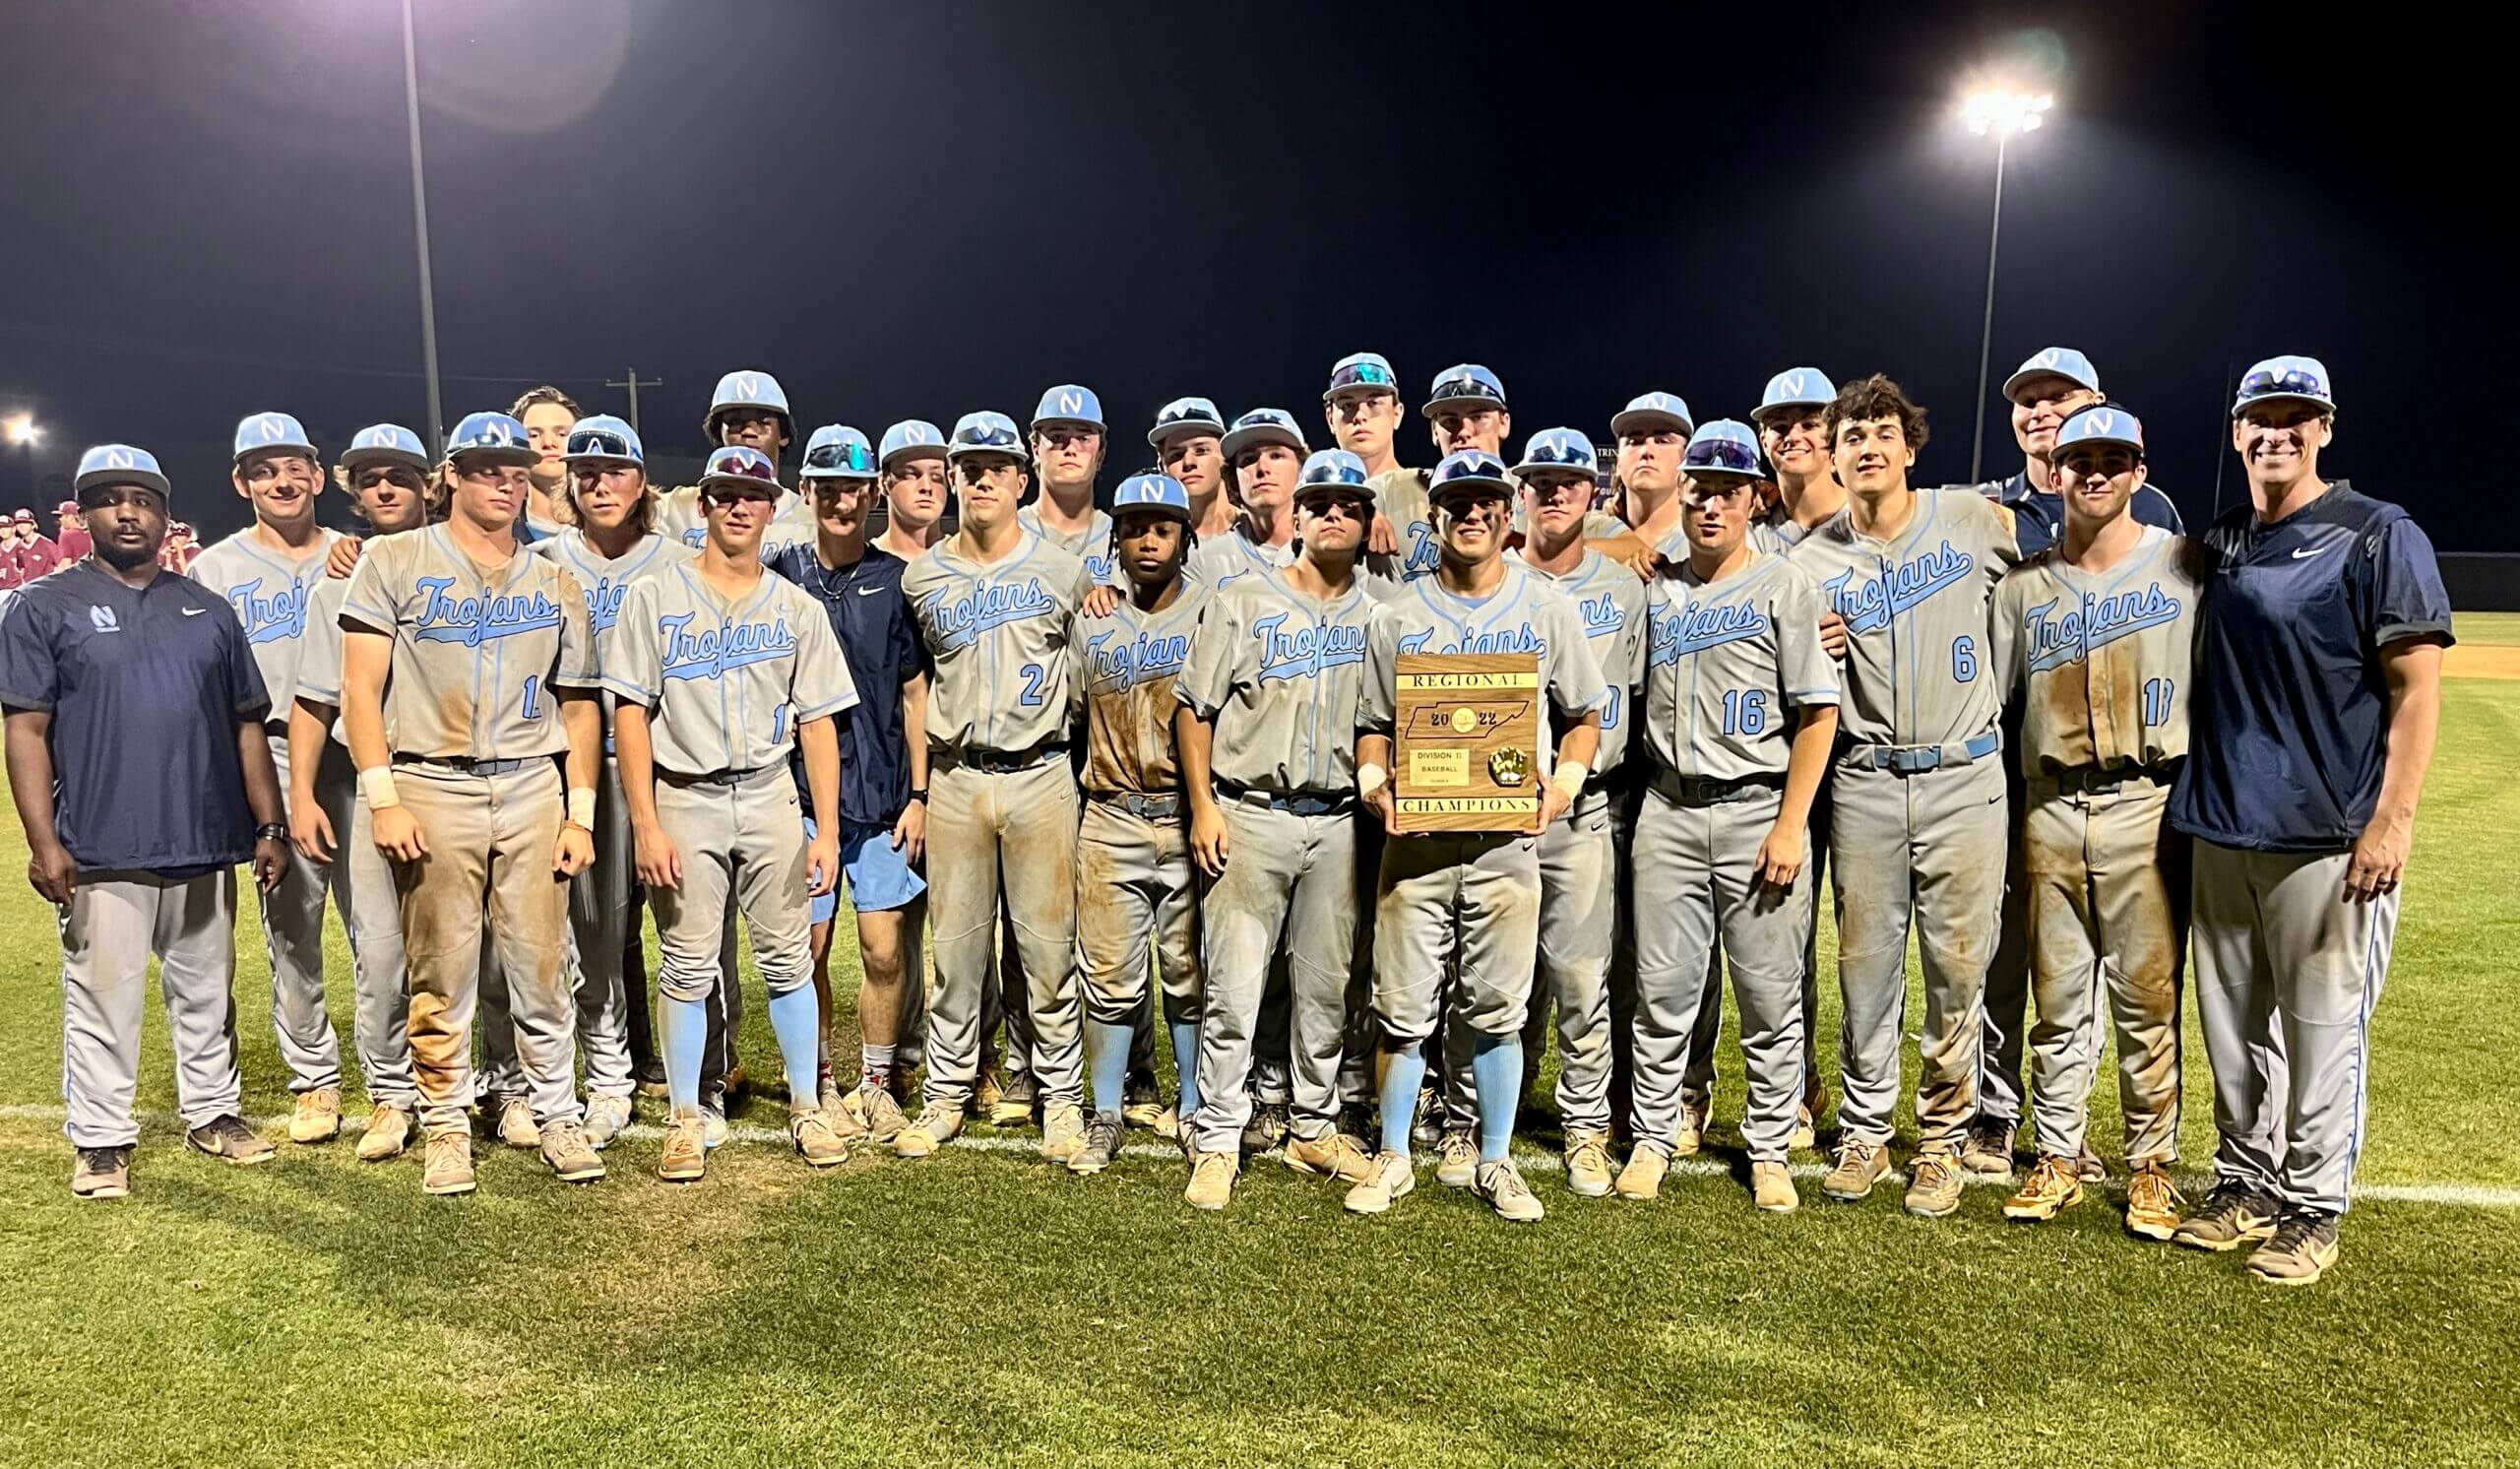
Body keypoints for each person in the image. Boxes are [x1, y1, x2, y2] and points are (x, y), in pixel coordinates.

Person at [2168, 356, 2450, 1286]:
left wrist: (2392, 824)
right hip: (2221, 825)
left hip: (2327, 837)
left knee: (2324, 1030)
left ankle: (2313, 1207)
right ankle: (2244, 1183)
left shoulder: (2376, 534)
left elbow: (2415, 691)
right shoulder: (2222, 541)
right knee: (2235, 1030)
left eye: (2297, 417)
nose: (2277, 433)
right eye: (2261, 417)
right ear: (2238, 430)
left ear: (2325, 427)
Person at [1, 443, 289, 1198]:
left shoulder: (208, 610)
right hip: (100, 841)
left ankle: (214, 1114)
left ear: (165, 514)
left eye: (144, 499)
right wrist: (43, 843)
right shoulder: (44, 606)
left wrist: (268, 826)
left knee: (206, 990)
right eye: (109, 499)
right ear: (86, 513)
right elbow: (26, 729)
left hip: (203, 835)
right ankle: (100, 1139)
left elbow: (246, 725)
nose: (128, 512)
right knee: (104, 993)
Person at [338, 411, 605, 1195]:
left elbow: (580, 702)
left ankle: (555, 1111)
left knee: (544, 966)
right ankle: (447, 1124)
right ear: (450, 474)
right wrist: (384, 796)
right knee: (440, 970)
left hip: (531, 782)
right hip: (430, 779)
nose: (505, 480)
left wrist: (581, 811)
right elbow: (360, 687)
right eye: (487, 467)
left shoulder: (556, 576)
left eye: (516, 468)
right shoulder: (392, 559)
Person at [1349, 449, 1607, 1224]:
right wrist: (1374, 787)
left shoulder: (1548, 606)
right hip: (1417, 844)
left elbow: (1585, 716)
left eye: (1485, 500)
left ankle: (1493, 1158)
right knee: (1402, 1008)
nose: (1471, 513)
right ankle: (1395, 1154)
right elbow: (1370, 727)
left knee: (1498, 1009)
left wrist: (1561, 788)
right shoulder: (1396, 613)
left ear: (1507, 511)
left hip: (1504, 845)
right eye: (1456, 500)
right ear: (1436, 514)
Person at [1786, 374, 2017, 1218]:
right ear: (1835, 456)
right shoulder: (1808, 561)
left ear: (1910, 446)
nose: (1869, 446)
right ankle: (1864, 1131)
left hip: (1965, 776)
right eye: (1852, 436)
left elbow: (2056, 574)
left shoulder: (1972, 521)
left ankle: (1946, 1140)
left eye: (1884, 431)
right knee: (1867, 972)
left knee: (1959, 974)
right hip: (1866, 778)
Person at [1963, 347, 2185, 1182]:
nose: (2040, 411)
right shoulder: (1983, 510)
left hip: (2128, 783)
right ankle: (1996, 1117)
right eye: (2027, 400)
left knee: (2113, 978)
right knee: (2006, 962)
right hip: (2019, 778)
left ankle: (2089, 1138)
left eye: (2059, 398)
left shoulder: (2156, 517)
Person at [610, 444, 857, 1180]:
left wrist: (829, 833)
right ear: (706, 504)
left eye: (753, 494)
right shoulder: (654, 597)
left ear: (774, 505)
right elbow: (629, 712)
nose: (739, 505)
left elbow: (818, 724)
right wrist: (646, 822)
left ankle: (807, 1107)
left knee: (787, 962)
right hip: (685, 795)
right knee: (687, 966)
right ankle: (688, 1115)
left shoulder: (796, 608)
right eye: (724, 493)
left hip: (770, 793)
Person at [1622, 421, 1840, 1211]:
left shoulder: (1786, 586)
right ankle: (1652, 1136)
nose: (1712, 504)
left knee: (1770, 995)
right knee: (1664, 991)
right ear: (1680, 494)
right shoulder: (1659, 586)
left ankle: (1771, 1146)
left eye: (1729, 491)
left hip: (1755, 808)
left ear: (1756, 499)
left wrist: (1790, 825)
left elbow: (1817, 712)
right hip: (1668, 809)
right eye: (1700, 490)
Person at [1174, 448, 1382, 1208]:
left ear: (1366, 522)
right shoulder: (1242, 600)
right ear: (1296, 516)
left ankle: (1313, 1125)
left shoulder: (1378, 613)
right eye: (1320, 502)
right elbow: (1193, 711)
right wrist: (1202, 805)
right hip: (1250, 813)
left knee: (1328, 989)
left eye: (1350, 505)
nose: (1334, 514)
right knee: (1234, 989)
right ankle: (1220, 1138)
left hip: (1338, 823)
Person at [894, 412, 1094, 1164]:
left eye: (996, 466)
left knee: (1048, 951)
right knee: (958, 951)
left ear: (1020, 479)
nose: (981, 478)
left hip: (1041, 770)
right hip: (955, 777)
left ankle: (1061, 1098)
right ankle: (947, 1094)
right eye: (968, 466)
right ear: (953, 477)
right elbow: (915, 690)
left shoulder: (1062, 571)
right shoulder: (923, 576)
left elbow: (1089, 674)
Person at [532, 414, 694, 1149]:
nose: (600, 483)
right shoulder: (542, 557)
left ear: (641, 482)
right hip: (573, 763)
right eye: (586, 472)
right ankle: (608, 1079)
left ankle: (704, 1074)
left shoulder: (678, 560)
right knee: (593, 931)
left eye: (616, 470)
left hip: (666, 760)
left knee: (691, 928)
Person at [188, 412, 351, 1144]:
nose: (281, 480)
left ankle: (399, 1074)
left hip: (360, 753)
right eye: (262, 469)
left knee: (387, 931)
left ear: (318, 476)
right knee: (292, 929)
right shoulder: (214, 570)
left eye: (293, 466)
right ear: (240, 482)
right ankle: (314, 1078)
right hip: (275, 754)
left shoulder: (359, 554)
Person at [768, 423, 931, 1142]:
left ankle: (877, 1081)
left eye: (853, 489)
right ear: (806, 492)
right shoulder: (778, 574)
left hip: (885, 797)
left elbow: (914, 693)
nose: (840, 501)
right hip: (803, 798)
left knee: (884, 950)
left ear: (872, 494)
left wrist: (920, 796)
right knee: (806, 947)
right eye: (826, 487)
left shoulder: (895, 581)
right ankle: (821, 1085)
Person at [285, 423, 439, 1162]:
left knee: (486, 945)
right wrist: (304, 795)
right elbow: (315, 700)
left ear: (428, 487)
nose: (385, 489)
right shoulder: (337, 583)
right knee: (380, 949)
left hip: (460, 778)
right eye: (372, 477)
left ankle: (500, 1085)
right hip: (369, 781)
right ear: (351, 489)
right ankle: (390, 1094)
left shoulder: (471, 561)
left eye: (401, 477)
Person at [1507, 428, 1647, 1196]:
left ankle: (1586, 1127)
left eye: (1568, 481)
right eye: (1539, 481)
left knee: (1581, 980)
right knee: (1499, 983)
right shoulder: (1490, 578)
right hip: (1496, 814)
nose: (1553, 492)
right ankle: (1491, 1120)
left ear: (1592, 493)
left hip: (1588, 806)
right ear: (1518, 493)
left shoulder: (1625, 588)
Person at [1067, 472, 1212, 1174]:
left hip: (1187, 817)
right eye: (1134, 527)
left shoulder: (1212, 612)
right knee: (1110, 979)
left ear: (1186, 537)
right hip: (1112, 815)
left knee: (1189, 975)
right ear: (1115, 539)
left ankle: (1191, 1108)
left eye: (1162, 527)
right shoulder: (1091, 619)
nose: (1148, 539)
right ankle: (1104, 1114)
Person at [657, 369, 814, 560]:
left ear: (783, 435)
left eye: (762, 423)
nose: (748, 431)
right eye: (735, 422)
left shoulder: (809, 520)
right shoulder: (677, 508)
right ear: (718, 434)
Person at [1190, 409, 1305, 593]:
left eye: (1276, 455)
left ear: (1302, 471)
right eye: (1249, 459)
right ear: (1233, 481)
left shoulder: (1333, 544)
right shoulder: (1203, 560)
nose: (1262, 468)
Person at [1022, 384, 1116, 583]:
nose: (1071, 448)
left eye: (1083, 438)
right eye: (1057, 437)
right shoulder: (1007, 532)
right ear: (1035, 449)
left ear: (1100, 454)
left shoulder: (1121, 537)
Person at [1748, 368, 1848, 552]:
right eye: (1780, 427)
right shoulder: (1749, 532)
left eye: (1809, 425)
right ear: (1764, 443)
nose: (1792, 437)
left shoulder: (1867, 514)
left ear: (1834, 435)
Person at [1588, 393, 1695, 550]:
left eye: (1662, 441)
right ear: (1618, 463)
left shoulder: (1710, 541)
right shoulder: (1585, 533)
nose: (1647, 450)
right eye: (1634, 441)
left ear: (1686, 460)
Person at [1150, 397, 1236, 543]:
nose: (1189, 463)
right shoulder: (1152, 544)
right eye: (1176, 455)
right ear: (1161, 467)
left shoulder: (1259, 531)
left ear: (1224, 457)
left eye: (1201, 450)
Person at [875, 418, 952, 563]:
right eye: (910, 475)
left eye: (936, 477)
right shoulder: (860, 566)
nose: (926, 487)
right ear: (883, 482)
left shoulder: (970, 560)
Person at [511, 384, 584, 532]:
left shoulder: (610, 534)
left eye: (562, 434)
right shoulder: (499, 533)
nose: (549, 443)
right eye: (534, 435)